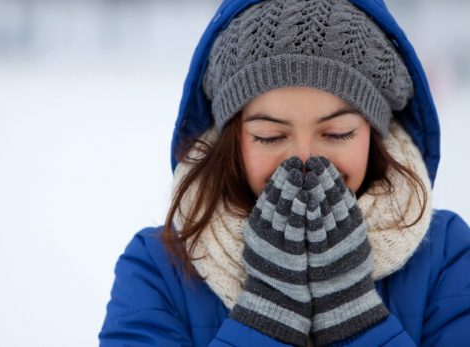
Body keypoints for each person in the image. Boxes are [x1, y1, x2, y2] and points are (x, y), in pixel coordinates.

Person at [99, 0, 470, 346]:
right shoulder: (157, 269)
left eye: (337, 133)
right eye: (270, 136)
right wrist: (266, 315)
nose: (305, 160)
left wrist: (355, 315)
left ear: (373, 134)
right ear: (233, 139)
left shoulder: (447, 256)